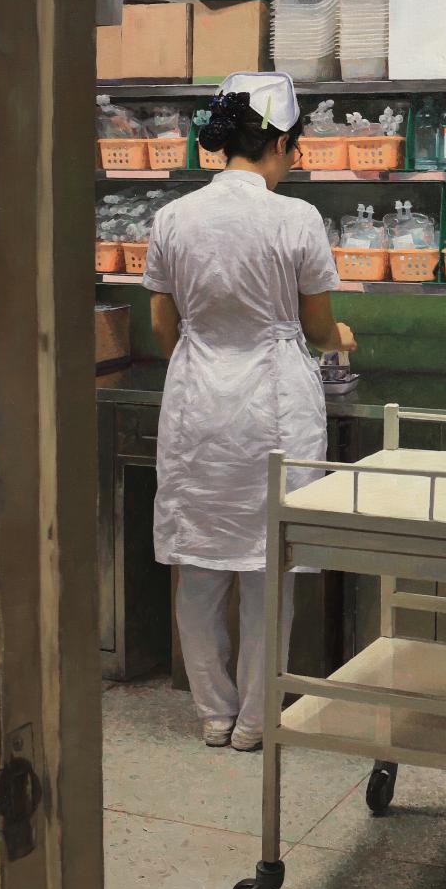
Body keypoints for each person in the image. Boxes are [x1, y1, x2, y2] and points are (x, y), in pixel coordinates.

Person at [142, 72, 355, 750]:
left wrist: (203, 356)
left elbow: (164, 326)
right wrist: (339, 335)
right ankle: (256, 722)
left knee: (199, 565)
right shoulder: (295, 219)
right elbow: (317, 328)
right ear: (282, 144)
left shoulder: (173, 218)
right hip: (274, 407)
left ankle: (213, 712)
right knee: (270, 566)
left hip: (198, 404)